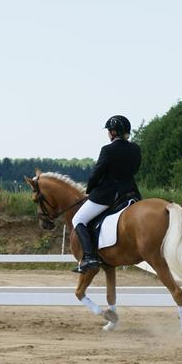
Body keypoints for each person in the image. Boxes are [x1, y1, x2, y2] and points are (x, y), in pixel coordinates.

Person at [72, 115, 142, 273]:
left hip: (109, 195)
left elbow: (96, 173)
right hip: (131, 194)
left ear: (113, 132)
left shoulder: (107, 150)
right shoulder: (136, 149)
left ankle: (89, 257)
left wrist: (90, 189)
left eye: (109, 131)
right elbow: (135, 169)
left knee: (78, 219)